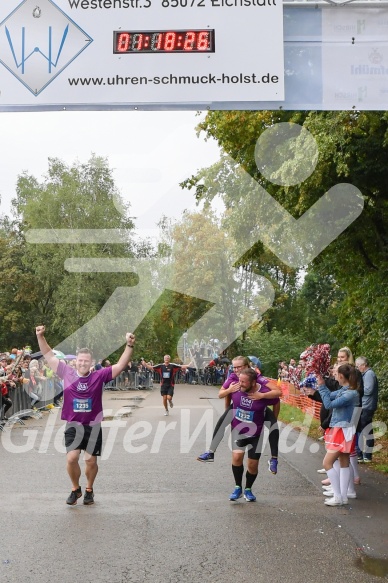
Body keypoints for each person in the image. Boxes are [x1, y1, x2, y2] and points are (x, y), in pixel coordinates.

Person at [35, 324, 136, 506]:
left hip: (93, 426)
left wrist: (129, 345)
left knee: (90, 460)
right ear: (76, 361)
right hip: (73, 425)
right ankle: (76, 489)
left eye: (86, 361)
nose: (82, 363)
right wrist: (40, 336)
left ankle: (89, 488)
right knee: (72, 458)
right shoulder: (66, 372)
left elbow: (120, 365)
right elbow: (49, 355)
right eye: (80, 360)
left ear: (91, 362)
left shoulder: (99, 375)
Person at [197, 356, 281, 474]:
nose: (235, 370)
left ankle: (274, 459)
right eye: (234, 367)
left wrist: (262, 396)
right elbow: (222, 394)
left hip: (258, 405)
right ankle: (211, 452)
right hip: (238, 406)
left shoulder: (256, 377)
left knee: (274, 426)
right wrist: (229, 392)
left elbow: (278, 394)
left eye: (238, 367)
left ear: (246, 366)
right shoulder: (232, 376)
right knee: (223, 420)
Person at [219, 368, 281, 502]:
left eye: (243, 382)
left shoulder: (263, 392)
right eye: (239, 380)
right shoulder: (235, 388)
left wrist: (273, 419)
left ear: (253, 383)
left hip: (256, 433)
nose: (240, 383)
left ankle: (248, 489)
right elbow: (225, 396)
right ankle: (237, 487)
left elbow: (277, 399)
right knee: (237, 457)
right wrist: (227, 411)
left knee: (252, 465)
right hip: (238, 430)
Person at [316, 364, 360, 506]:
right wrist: (318, 388)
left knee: (327, 463)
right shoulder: (346, 390)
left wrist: (322, 386)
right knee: (343, 462)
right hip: (343, 429)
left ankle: (338, 496)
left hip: (342, 430)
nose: (335, 376)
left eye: (336, 374)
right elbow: (328, 396)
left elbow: (329, 404)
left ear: (341, 376)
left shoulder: (350, 394)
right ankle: (343, 496)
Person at [355, 356, 379, 462]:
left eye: (358, 366)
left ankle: (366, 455)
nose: (357, 368)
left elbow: (368, 390)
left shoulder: (369, 374)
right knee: (364, 430)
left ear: (364, 365)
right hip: (365, 405)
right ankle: (362, 454)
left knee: (365, 430)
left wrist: (357, 389)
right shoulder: (365, 374)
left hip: (367, 406)